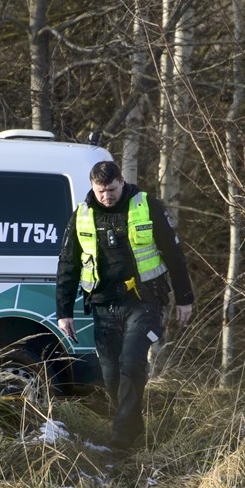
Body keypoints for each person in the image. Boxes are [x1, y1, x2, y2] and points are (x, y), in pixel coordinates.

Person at [56, 160, 193, 453]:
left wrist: (184, 298)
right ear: (92, 187)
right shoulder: (81, 215)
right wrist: (64, 312)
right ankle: (132, 427)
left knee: (131, 362)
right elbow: (67, 265)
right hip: (103, 304)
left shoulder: (147, 206)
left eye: (112, 189)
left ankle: (121, 439)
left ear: (121, 181)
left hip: (144, 302)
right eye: (101, 191)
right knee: (111, 374)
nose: (107, 196)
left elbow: (173, 253)